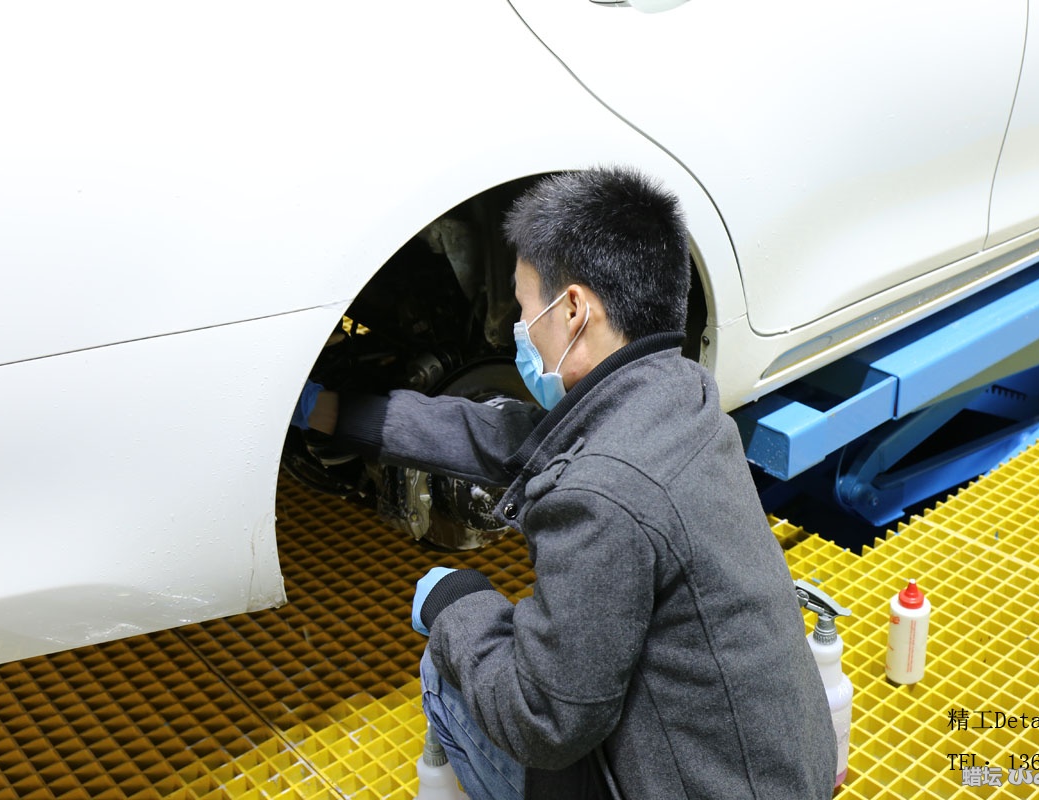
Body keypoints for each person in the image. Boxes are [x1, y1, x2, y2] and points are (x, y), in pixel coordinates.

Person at [294, 166, 836, 799]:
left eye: (524, 309)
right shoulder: (682, 401)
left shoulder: (600, 498)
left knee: (446, 669)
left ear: (574, 310)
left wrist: (460, 605)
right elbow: (517, 439)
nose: (517, 330)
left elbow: (543, 723)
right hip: (782, 770)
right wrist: (333, 413)